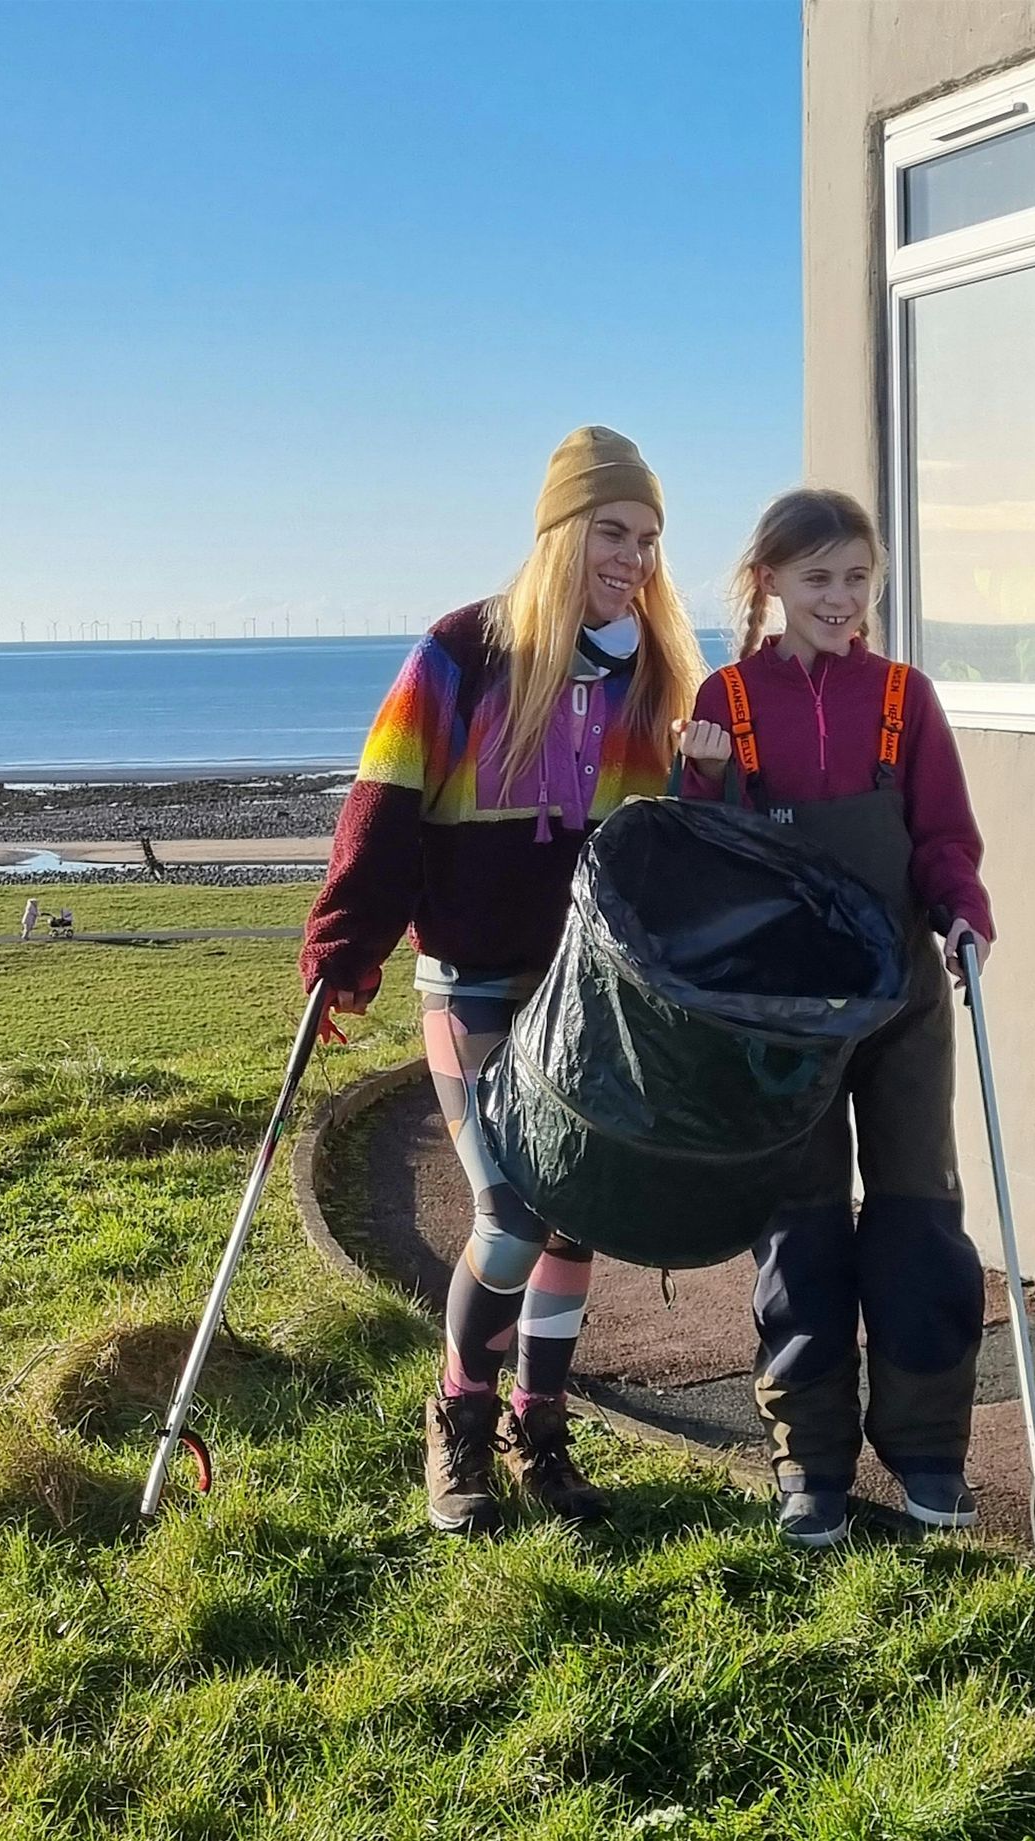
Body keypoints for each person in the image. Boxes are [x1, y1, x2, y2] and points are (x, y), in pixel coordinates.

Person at [301, 426, 705, 1535]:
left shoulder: (657, 673)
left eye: (650, 539)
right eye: (614, 531)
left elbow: (676, 838)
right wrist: (344, 947)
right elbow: (383, 804)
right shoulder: (461, 652)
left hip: (594, 994)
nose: (633, 558)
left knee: (578, 1218)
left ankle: (542, 1430)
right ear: (562, 529)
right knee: (517, 1207)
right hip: (473, 983)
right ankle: (461, 1421)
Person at [676, 487, 994, 1549]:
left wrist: (964, 914)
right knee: (801, 1231)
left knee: (917, 1217)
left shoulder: (907, 696)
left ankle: (931, 1453)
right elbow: (705, 856)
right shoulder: (727, 697)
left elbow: (944, 835)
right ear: (768, 582)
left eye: (859, 577)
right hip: (784, 1015)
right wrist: (706, 775)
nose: (841, 597)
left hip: (903, 994)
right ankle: (810, 1461)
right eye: (817, 577)